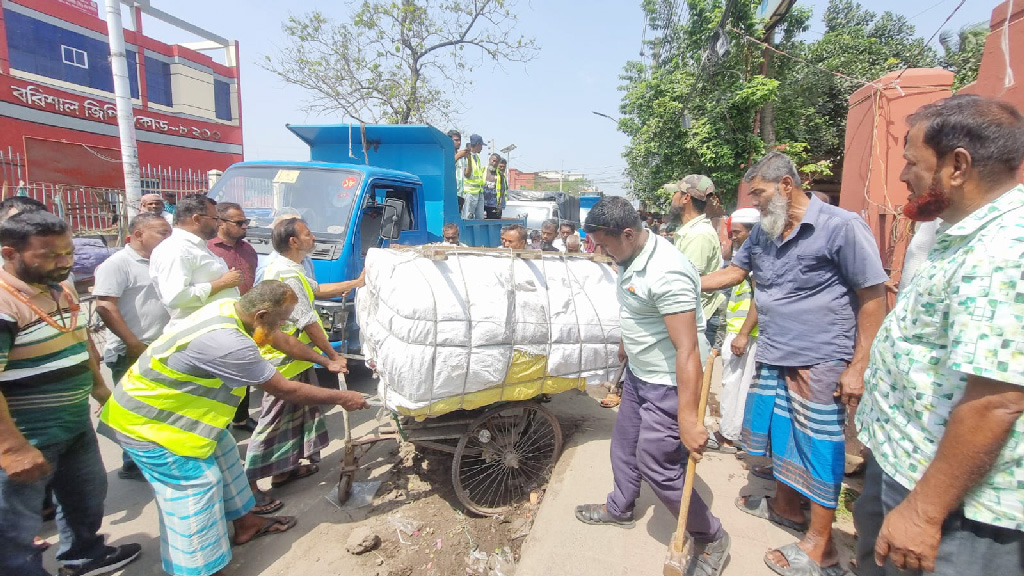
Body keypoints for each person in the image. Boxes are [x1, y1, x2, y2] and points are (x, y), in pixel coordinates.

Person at [855, 95, 1024, 576]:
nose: (904, 176)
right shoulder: (963, 233)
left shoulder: (1003, 250)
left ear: (957, 166)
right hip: (904, 469)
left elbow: (997, 400)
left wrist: (924, 511)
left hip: (954, 511)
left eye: (911, 162)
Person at [100, 281, 368, 576]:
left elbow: (279, 338)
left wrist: (323, 360)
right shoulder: (229, 343)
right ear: (263, 314)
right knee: (196, 487)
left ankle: (246, 523)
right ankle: (201, 569)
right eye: (281, 319)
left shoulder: (233, 309)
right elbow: (286, 390)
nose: (283, 326)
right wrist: (344, 397)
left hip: (185, 416)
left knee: (226, 454)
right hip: (149, 423)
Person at [702, 152, 887, 576]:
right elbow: (733, 274)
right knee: (779, 436)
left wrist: (859, 365)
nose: (757, 204)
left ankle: (822, 547)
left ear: (787, 186)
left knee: (817, 445)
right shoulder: (765, 233)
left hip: (820, 358)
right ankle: (787, 507)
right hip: (775, 352)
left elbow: (872, 297)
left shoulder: (841, 227)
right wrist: (680, 284)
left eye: (762, 195)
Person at [574, 197, 729, 576]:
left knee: (656, 462)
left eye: (605, 245)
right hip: (642, 376)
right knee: (624, 448)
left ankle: (711, 536)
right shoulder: (630, 256)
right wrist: (629, 342)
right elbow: (639, 309)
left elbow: (688, 348)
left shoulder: (666, 273)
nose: (601, 251)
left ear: (628, 233)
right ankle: (620, 506)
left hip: (669, 384)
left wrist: (690, 418)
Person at [0, 210, 142, 576]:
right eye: (48, 255)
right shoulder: (4, 303)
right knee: (14, 530)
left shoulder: (61, 289)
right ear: (10, 253)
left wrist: (99, 390)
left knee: (85, 496)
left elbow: (80, 343)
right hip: (27, 433)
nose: (63, 263)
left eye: (68, 253)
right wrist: (13, 449)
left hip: (73, 422)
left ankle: (84, 557)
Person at [246, 219, 363, 507]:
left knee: (296, 419)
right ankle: (248, 488)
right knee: (273, 422)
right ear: (293, 242)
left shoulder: (291, 269)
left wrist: (356, 283)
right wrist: (331, 357)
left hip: (295, 359)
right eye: (308, 234)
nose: (314, 238)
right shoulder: (287, 274)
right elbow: (308, 321)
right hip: (285, 360)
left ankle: (284, 470)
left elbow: (318, 289)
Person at [93, 213, 173, 480]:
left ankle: (153, 455)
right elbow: (105, 306)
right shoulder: (117, 264)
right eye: (162, 233)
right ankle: (133, 462)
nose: (167, 238)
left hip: (160, 346)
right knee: (132, 409)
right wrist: (133, 343)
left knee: (158, 407)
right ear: (138, 234)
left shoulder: (160, 262)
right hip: (132, 349)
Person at [708, 208, 760, 454]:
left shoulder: (758, 260)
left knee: (737, 385)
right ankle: (730, 431)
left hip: (747, 335)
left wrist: (743, 334)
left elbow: (760, 299)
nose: (733, 237)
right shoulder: (746, 257)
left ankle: (731, 436)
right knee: (731, 383)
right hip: (738, 331)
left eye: (737, 232)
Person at [150, 194, 241, 331]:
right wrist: (223, 283)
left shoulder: (197, 246)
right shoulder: (175, 249)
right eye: (215, 218)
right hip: (195, 332)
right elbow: (175, 297)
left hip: (213, 329)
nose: (219, 223)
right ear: (197, 219)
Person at [206, 202, 261, 432]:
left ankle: (240, 416)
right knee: (219, 374)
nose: (244, 227)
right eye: (239, 223)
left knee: (244, 366)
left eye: (245, 222)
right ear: (220, 222)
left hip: (246, 315)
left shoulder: (248, 249)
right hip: (219, 318)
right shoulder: (209, 250)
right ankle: (218, 421)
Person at [671, 175, 726, 349]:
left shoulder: (699, 235)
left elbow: (686, 282)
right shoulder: (689, 231)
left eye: (676, 193)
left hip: (699, 319)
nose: (672, 198)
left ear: (686, 197)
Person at [462, 134, 486, 220]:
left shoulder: (477, 157)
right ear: (477, 144)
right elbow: (467, 174)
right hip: (470, 193)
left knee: (480, 218)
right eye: (481, 145)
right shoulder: (465, 156)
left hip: (479, 192)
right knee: (467, 217)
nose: (482, 148)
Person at [448, 130, 468, 214]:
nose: (459, 143)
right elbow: (447, 166)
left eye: (460, 140)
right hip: (450, 193)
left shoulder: (462, 157)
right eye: (456, 140)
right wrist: (457, 156)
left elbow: (467, 174)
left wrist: (468, 158)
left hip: (460, 194)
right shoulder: (447, 153)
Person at [484, 153, 503, 219]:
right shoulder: (482, 170)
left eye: (497, 162)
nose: (494, 163)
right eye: (493, 161)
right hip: (482, 203)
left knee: (493, 222)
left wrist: (500, 204)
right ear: (489, 160)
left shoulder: (500, 175)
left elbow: (501, 191)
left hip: (493, 204)